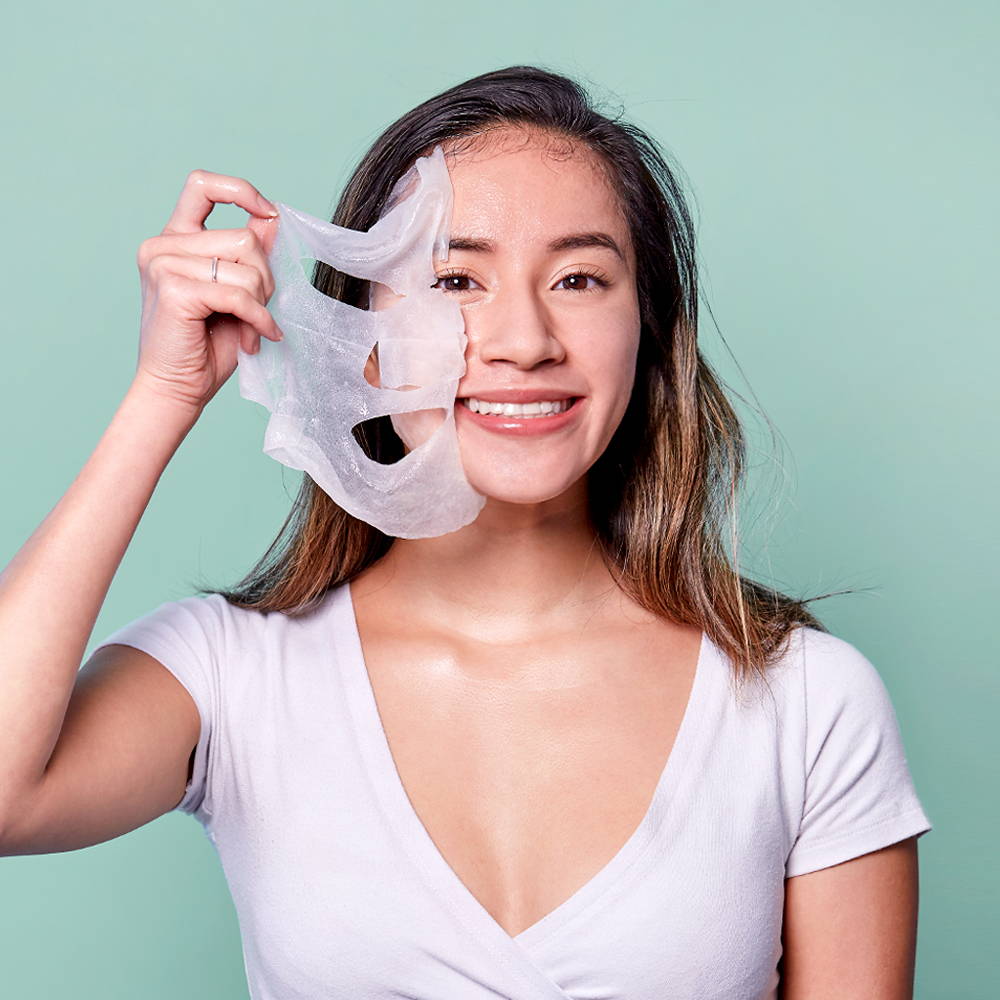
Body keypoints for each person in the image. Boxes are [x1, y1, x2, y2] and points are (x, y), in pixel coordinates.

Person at [0, 65, 932, 999]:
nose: (524, 340)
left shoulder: (806, 702)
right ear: (355, 330)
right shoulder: (233, 675)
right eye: (454, 277)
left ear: (646, 328)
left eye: (579, 277)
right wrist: (162, 395)